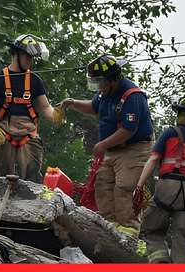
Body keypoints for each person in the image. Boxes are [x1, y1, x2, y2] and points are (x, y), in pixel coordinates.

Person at [59, 54, 154, 231]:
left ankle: (131, 233)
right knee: (102, 186)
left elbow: (128, 129)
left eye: (101, 83)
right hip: (113, 149)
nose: (99, 88)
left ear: (115, 79)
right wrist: (73, 104)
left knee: (124, 190)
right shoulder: (105, 93)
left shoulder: (132, 96)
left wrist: (102, 145)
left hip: (135, 148)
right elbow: (93, 107)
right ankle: (111, 228)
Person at [132, 97, 185, 263]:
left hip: (167, 188)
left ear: (179, 116)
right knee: (183, 239)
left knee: (152, 230)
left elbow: (153, 160)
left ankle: (160, 265)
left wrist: (139, 186)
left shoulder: (169, 134)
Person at [0, 34, 64, 183]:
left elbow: (45, 107)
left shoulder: (35, 80)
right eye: (27, 56)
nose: (29, 61)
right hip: (4, 131)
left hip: (28, 131)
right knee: (2, 178)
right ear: (17, 54)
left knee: (32, 175)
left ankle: (32, 202)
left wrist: (54, 115)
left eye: (32, 57)